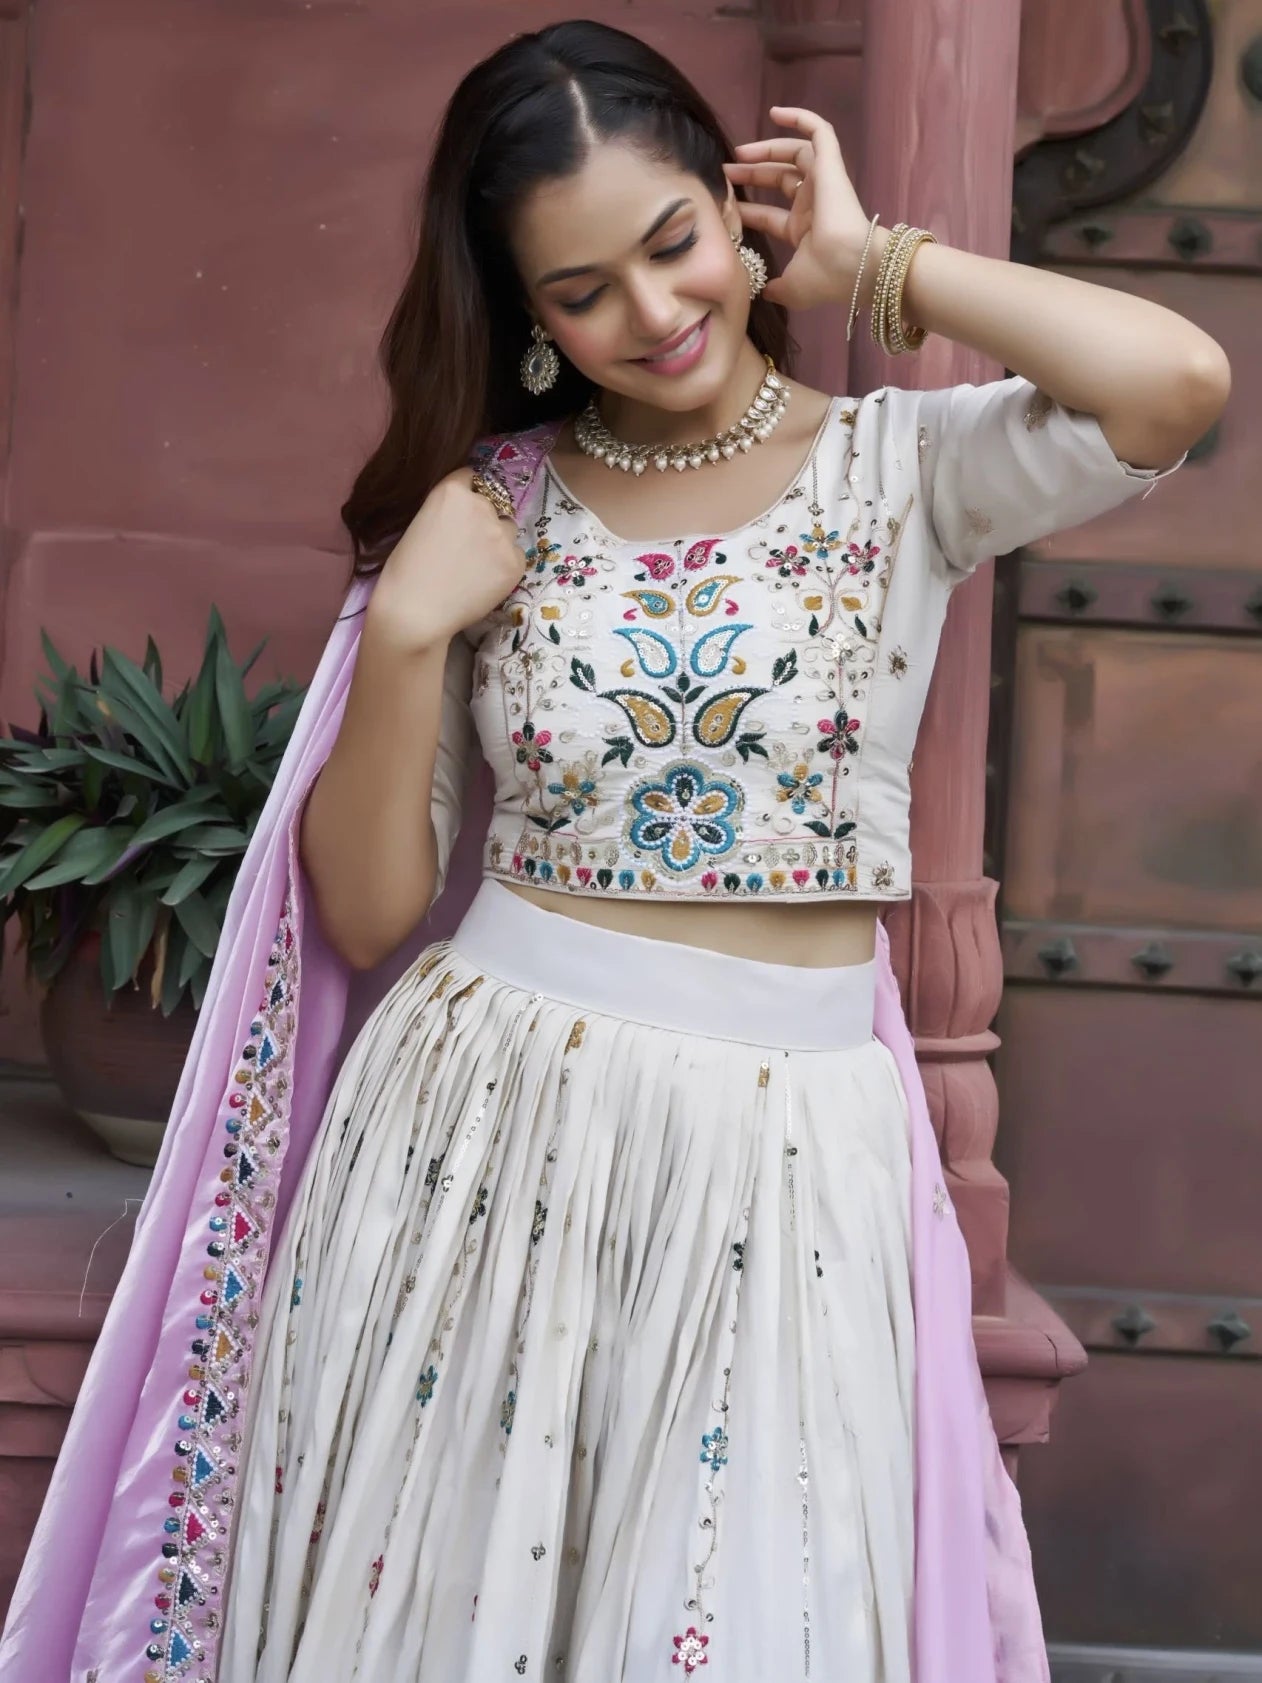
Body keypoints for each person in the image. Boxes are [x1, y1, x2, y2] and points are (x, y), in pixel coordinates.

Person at [0, 19, 1226, 1683]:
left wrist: (883, 265)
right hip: (488, 1135)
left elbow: (1174, 386)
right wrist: (416, 636)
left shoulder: (899, 473)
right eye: (582, 291)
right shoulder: (488, 507)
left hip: (786, 1154)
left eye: (673, 246)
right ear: (523, 317)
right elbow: (363, 912)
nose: (652, 317)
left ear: (737, 216)